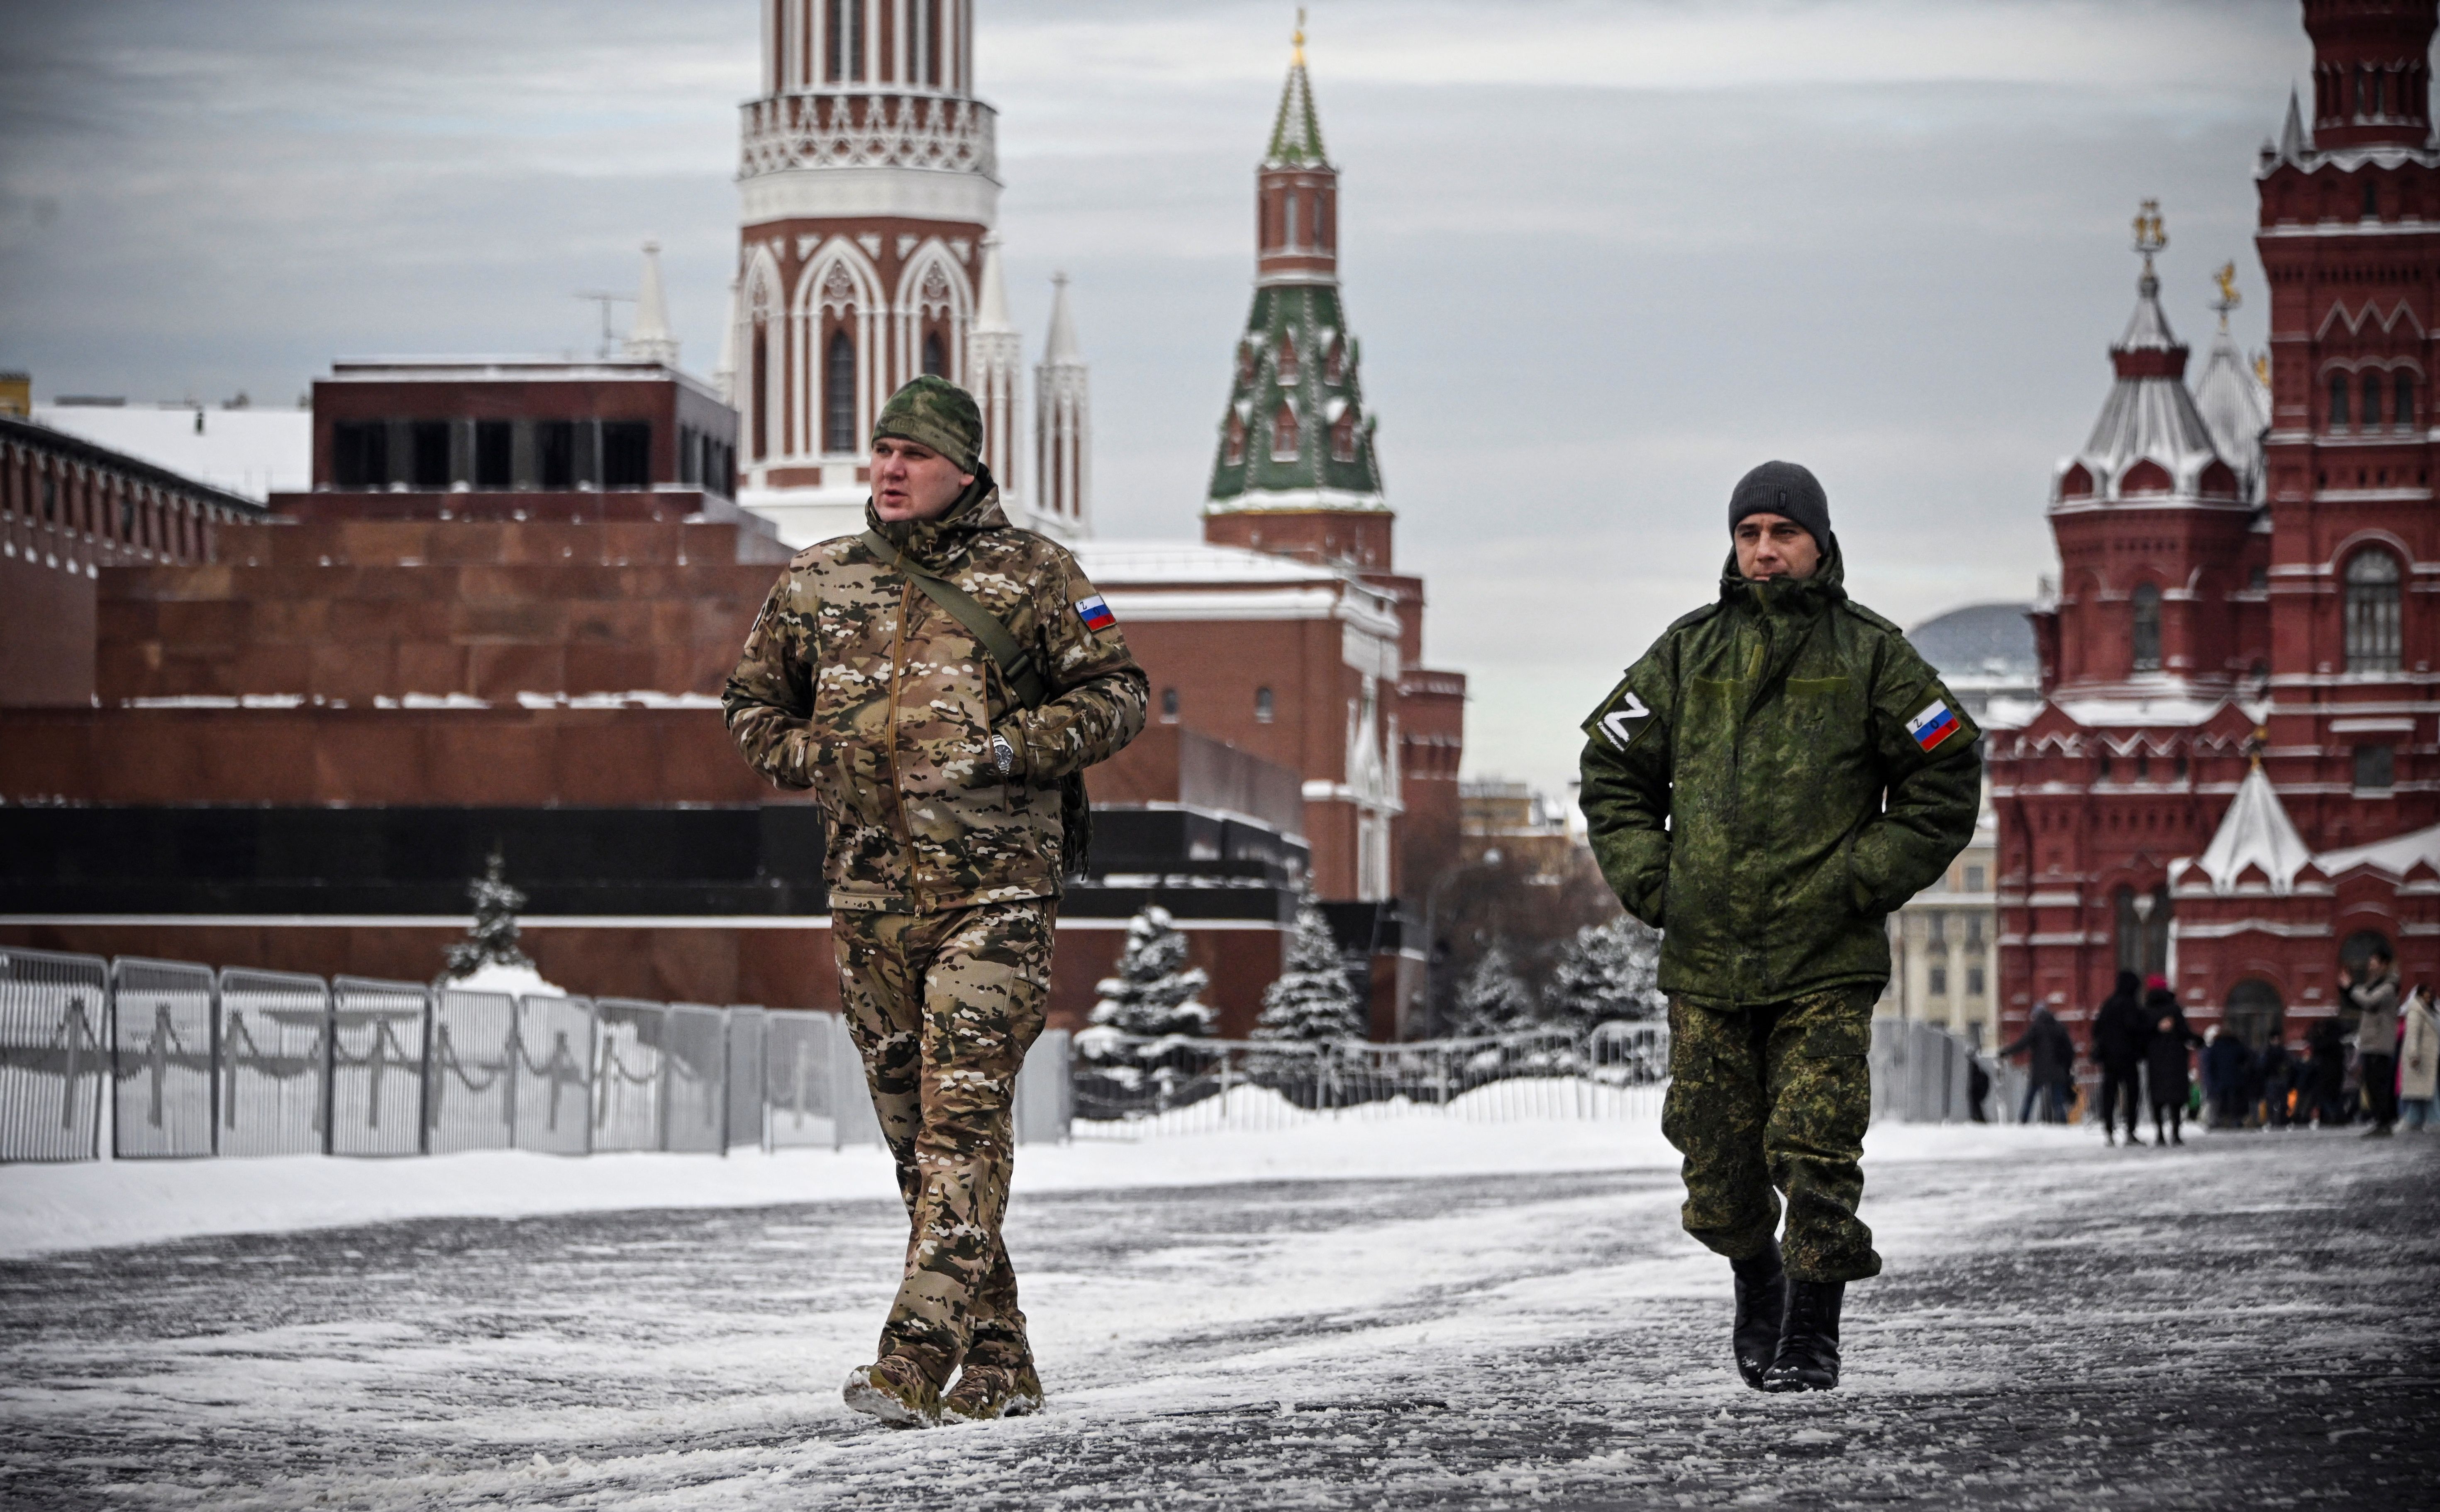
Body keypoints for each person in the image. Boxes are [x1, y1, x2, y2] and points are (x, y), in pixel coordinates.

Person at [723, 376, 1149, 1428]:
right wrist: (814, 753)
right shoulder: (820, 580)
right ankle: (1000, 1360)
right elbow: (748, 703)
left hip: (995, 893)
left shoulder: (1037, 575)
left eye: (914, 453)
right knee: (917, 1140)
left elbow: (1118, 691)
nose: (890, 469)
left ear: (965, 467)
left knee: (965, 1123)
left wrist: (1016, 746)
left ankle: (910, 1359)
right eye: (881, 451)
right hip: (869, 898)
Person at [1579, 461, 1980, 1394]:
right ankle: (1757, 1278)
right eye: (1750, 532)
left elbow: (1946, 770)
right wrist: (1656, 879)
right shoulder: (1686, 655)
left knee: (1816, 1142)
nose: (1765, 549)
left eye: (1783, 533)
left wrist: (1863, 876)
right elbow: (1609, 769)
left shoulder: (1874, 657)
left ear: (1820, 544)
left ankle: (1811, 1327)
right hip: (1707, 954)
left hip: (1822, 957)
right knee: (1714, 1160)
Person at [2338, 945, 2402, 1137]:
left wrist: (2350, 988)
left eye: (2374, 963)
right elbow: (2358, 999)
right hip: (2372, 1042)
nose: (2371, 967)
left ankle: (2384, 1123)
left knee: (2378, 1085)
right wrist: (2346, 989)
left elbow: (2369, 1002)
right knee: (2372, 1084)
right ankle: (2381, 1122)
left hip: (2380, 1043)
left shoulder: (2389, 987)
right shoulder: (2375, 984)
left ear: (2385, 965)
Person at [2089, 970, 2151, 1145]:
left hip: (2109, 1058)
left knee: (2109, 1094)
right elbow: (2136, 1029)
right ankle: (2130, 1131)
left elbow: (2096, 1030)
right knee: (2132, 1094)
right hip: (2128, 1057)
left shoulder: (2108, 1004)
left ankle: (2109, 1131)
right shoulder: (2130, 1005)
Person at [2143, 976, 2202, 1146]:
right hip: (2176, 1059)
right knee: (2176, 1099)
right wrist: (2199, 1041)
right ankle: (2176, 1134)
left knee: (2158, 1098)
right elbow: (2185, 1033)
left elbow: (2141, 1034)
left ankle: (2160, 1134)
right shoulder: (2174, 1009)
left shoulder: (2147, 1011)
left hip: (2155, 1059)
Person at [2000, 1003, 2076, 1124]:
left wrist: (2006, 1052)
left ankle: (2023, 1121)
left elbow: (2022, 1044)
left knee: (2030, 1097)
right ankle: (2063, 1123)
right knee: (2058, 1100)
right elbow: (2069, 1050)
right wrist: (2067, 1067)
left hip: (2040, 1070)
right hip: (2058, 1069)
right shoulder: (2059, 1027)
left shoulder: (2036, 1028)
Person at [2399, 986, 2437, 1132]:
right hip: (2423, 1059)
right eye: (2425, 997)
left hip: (2430, 1058)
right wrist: (2414, 1055)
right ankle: (2435, 1120)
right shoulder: (2416, 1012)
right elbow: (2413, 1036)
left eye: (2429, 998)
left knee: (2424, 1092)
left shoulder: (2430, 1011)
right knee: (2429, 1091)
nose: (2428, 1000)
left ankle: (2413, 1121)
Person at [2202, 1024, 2252, 1129]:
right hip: (2236, 1079)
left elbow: (2210, 1064)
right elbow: (2246, 1057)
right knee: (2235, 1102)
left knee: (2222, 1102)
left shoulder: (2216, 1046)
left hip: (2220, 1081)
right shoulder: (2237, 1045)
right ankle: (2235, 1120)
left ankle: (2223, 1121)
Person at [2306, 1017, 2350, 1127]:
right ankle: (2339, 1117)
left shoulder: (2326, 1042)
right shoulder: (2337, 1043)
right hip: (2336, 1074)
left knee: (2326, 1097)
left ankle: (2332, 1116)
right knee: (2335, 1097)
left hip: (2327, 1074)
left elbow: (2317, 1047)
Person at [2256, 1037, 2296, 1130]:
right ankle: (2277, 1121)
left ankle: (2277, 1120)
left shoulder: (2268, 1052)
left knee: (2278, 1101)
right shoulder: (2282, 1052)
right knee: (2275, 1101)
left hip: (2275, 1079)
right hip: (2276, 1079)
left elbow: (2262, 1066)